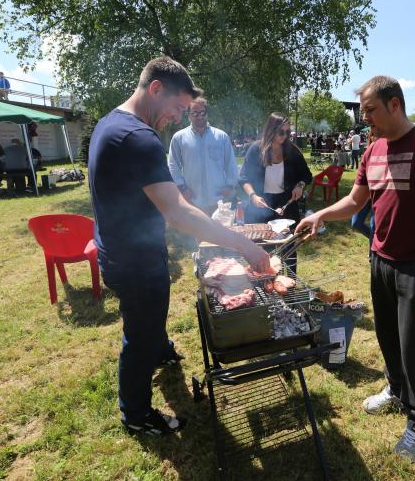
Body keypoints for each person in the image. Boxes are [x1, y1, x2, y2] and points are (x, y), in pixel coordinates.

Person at [88, 56, 270, 436]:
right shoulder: (138, 137)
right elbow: (178, 213)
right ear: (155, 89)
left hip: (122, 251)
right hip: (135, 262)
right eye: (177, 108)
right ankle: (135, 414)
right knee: (138, 336)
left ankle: (160, 348)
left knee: (148, 325)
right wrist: (245, 246)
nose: (177, 117)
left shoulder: (111, 123)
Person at [297, 76, 415, 463]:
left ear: (394, 104)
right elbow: (355, 201)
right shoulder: (372, 151)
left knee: (414, 344)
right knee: (388, 335)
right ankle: (394, 388)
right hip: (380, 259)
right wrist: (320, 214)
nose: (365, 118)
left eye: (371, 110)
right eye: (364, 111)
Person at [167, 96, 237, 218]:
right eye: (195, 113)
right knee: (195, 236)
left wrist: (230, 186)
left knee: (219, 235)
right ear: (188, 115)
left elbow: (231, 164)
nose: (200, 116)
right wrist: (182, 189)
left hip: (219, 201)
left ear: (207, 113)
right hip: (193, 201)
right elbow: (173, 166)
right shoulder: (179, 138)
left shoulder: (221, 137)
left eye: (202, 113)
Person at [240, 112, 311, 224]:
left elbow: (306, 175)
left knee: (288, 240)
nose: (285, 136)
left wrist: (300, 186)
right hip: (260, 208)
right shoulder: (255, 150)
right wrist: (253, 196)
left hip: (287, 208)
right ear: (271, 130)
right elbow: (244, 178)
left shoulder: (292, 151)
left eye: (287, 132)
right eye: (281, 132)